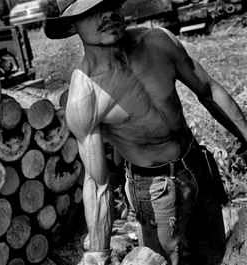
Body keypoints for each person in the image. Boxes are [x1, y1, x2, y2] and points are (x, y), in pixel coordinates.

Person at [43, 0, 247, 264]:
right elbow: (97, 183)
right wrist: (98, 252)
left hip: (196, 162)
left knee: (213, 251)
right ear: (72, 25)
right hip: (156, 189)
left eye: (109, 2)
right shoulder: (86, 95)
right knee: (166, 261)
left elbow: (207, 89)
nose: (107, 14)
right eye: (91, 12)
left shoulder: (158, 42)